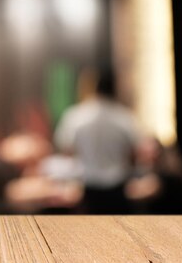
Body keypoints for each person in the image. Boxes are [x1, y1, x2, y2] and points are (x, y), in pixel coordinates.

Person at [54, 69, 141, 214]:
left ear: (95, 87)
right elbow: (135, 152)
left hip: (88, 187)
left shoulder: (76, 116)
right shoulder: (125, 117)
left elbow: (66, 150)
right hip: (118, 189)